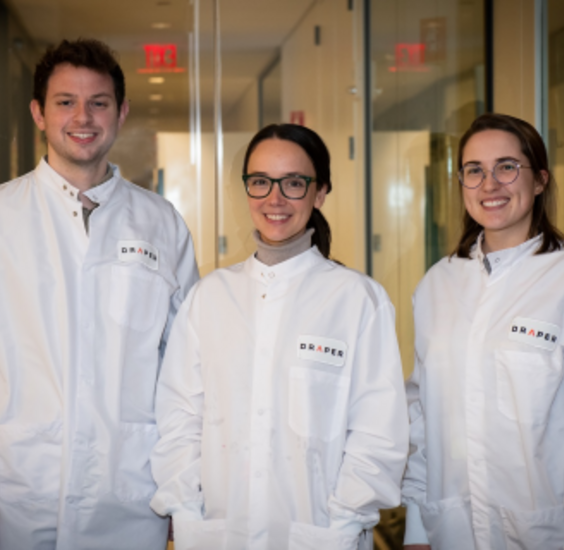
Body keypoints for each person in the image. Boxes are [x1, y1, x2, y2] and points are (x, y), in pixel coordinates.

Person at [0, 38, 199, 550]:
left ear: (121, 113)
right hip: (18, 494)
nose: (83, 117)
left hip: (133, 495)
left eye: (99, 102)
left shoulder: (161, 225)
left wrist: (182, 493)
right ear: (38, 113)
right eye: (65, 102)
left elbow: (186, 373)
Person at [149, 124, 409, 550]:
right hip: (217, 531)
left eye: (293, 183)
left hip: (321, 535)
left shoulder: (358, 300)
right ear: (246, 189)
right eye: (260, 182)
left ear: (319, 192)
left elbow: (378, 433)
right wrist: (185, 509)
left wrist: (343, 523)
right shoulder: (210, 297)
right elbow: (179, 418)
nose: (275, 198)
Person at [402, 113, 564, 550]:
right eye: (475, 171)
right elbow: (422, 415)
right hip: (452, 528)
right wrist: (417, 522)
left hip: (557, 531)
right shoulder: (437, 284)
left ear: (541, 180)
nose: (490, 184)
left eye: (507, 167)